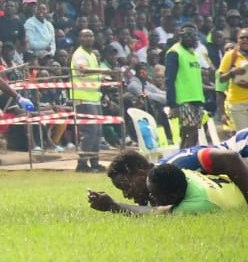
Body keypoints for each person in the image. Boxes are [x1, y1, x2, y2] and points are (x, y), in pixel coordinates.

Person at [89, 154, 248, 215]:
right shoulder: (178, 173)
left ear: (139, 172)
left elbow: (157, 213)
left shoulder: (178, 164)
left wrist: (114, 206)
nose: (126, 195)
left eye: (125, 187)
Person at [70, 27, 118, 171]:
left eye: (90, 36)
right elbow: (82, 70)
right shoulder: (80, 54)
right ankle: (82, 163)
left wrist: (101, 77)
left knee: (97, 131)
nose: (88, 39)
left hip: (94, 97)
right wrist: (103, 71)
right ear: (80, 38)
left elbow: (92, 74)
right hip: (83, 98)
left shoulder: (91, 55)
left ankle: (95, 163)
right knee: (90, 130)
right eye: (85, 36)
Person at [164, 23, 206, 148]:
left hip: (197, 98)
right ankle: (183, 161)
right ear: (180, 36)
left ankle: (183, 161)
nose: (190, 38)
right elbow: (169, 79)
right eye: (186, 35)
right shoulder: (174, 52)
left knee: (192, 134)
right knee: (190, 133)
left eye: (193, 35)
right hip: (183, 100)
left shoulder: (193, 54)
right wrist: (172, 103)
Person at [217, 27, 248, 129]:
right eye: (242, 38)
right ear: (237, 40)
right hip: (237, 103)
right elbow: (221, 79)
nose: (245, 40)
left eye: (247, 38)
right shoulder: (231, 55)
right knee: (244, 137)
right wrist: (232, 72)